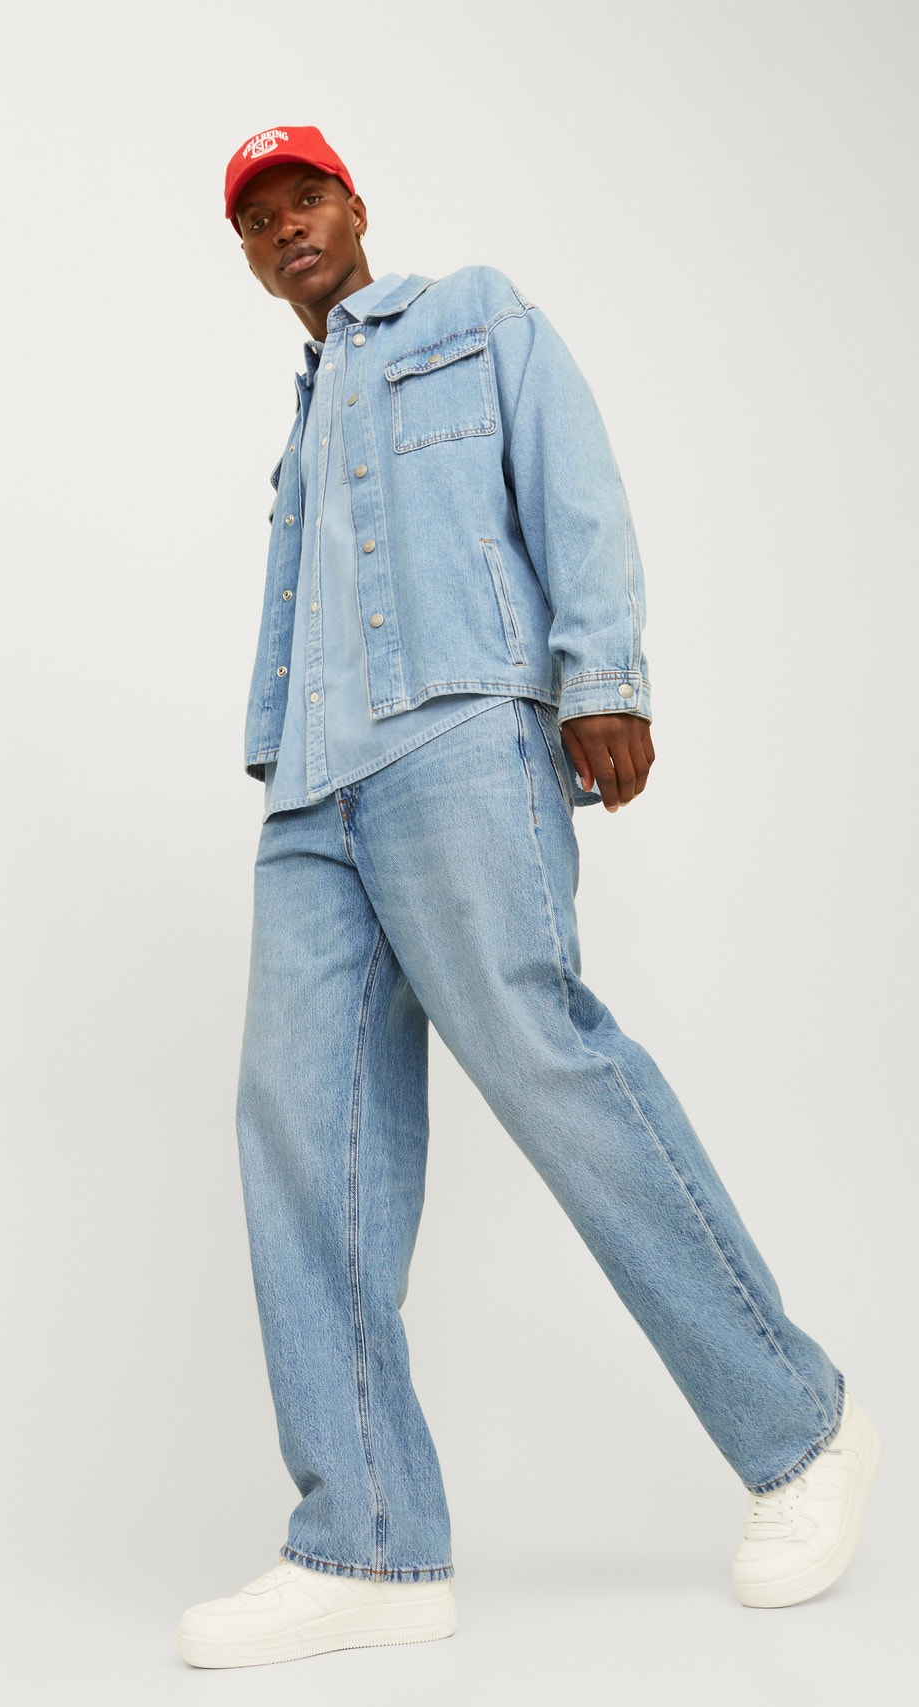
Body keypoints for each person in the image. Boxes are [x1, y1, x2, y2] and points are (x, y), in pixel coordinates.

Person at [176, 125, 881, 1671]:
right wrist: (274, 753)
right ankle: (367, 1546)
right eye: (258, 220)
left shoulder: (474, 315)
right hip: (312, 792)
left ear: (355, 208)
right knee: (298, 1137)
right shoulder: (301, 426)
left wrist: (602, 677)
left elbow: (577, 483)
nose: (287, 228)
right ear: (248, 257)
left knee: (546, 1062)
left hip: (455, 740)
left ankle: (800, 1429)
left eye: (306, 199)